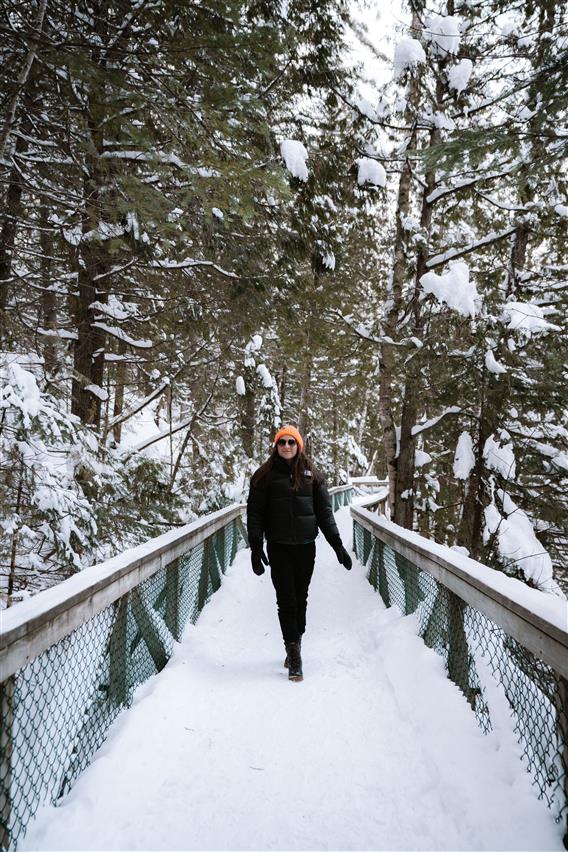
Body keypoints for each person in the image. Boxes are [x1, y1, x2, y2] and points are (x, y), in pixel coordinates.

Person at [246, 424, 352, 682]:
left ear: (298, 446)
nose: (286, 447)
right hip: (279, 547)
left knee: (301, 598)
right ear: (276, 445)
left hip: (306, 547)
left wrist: (337, 545)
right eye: (281, 442)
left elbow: (325, 513)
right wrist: (256, 547)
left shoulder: (312, 476)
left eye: (291, 442)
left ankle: (296, 640)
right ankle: (294, 653)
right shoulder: (264, 475)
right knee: (286, 600)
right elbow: (255, 513)